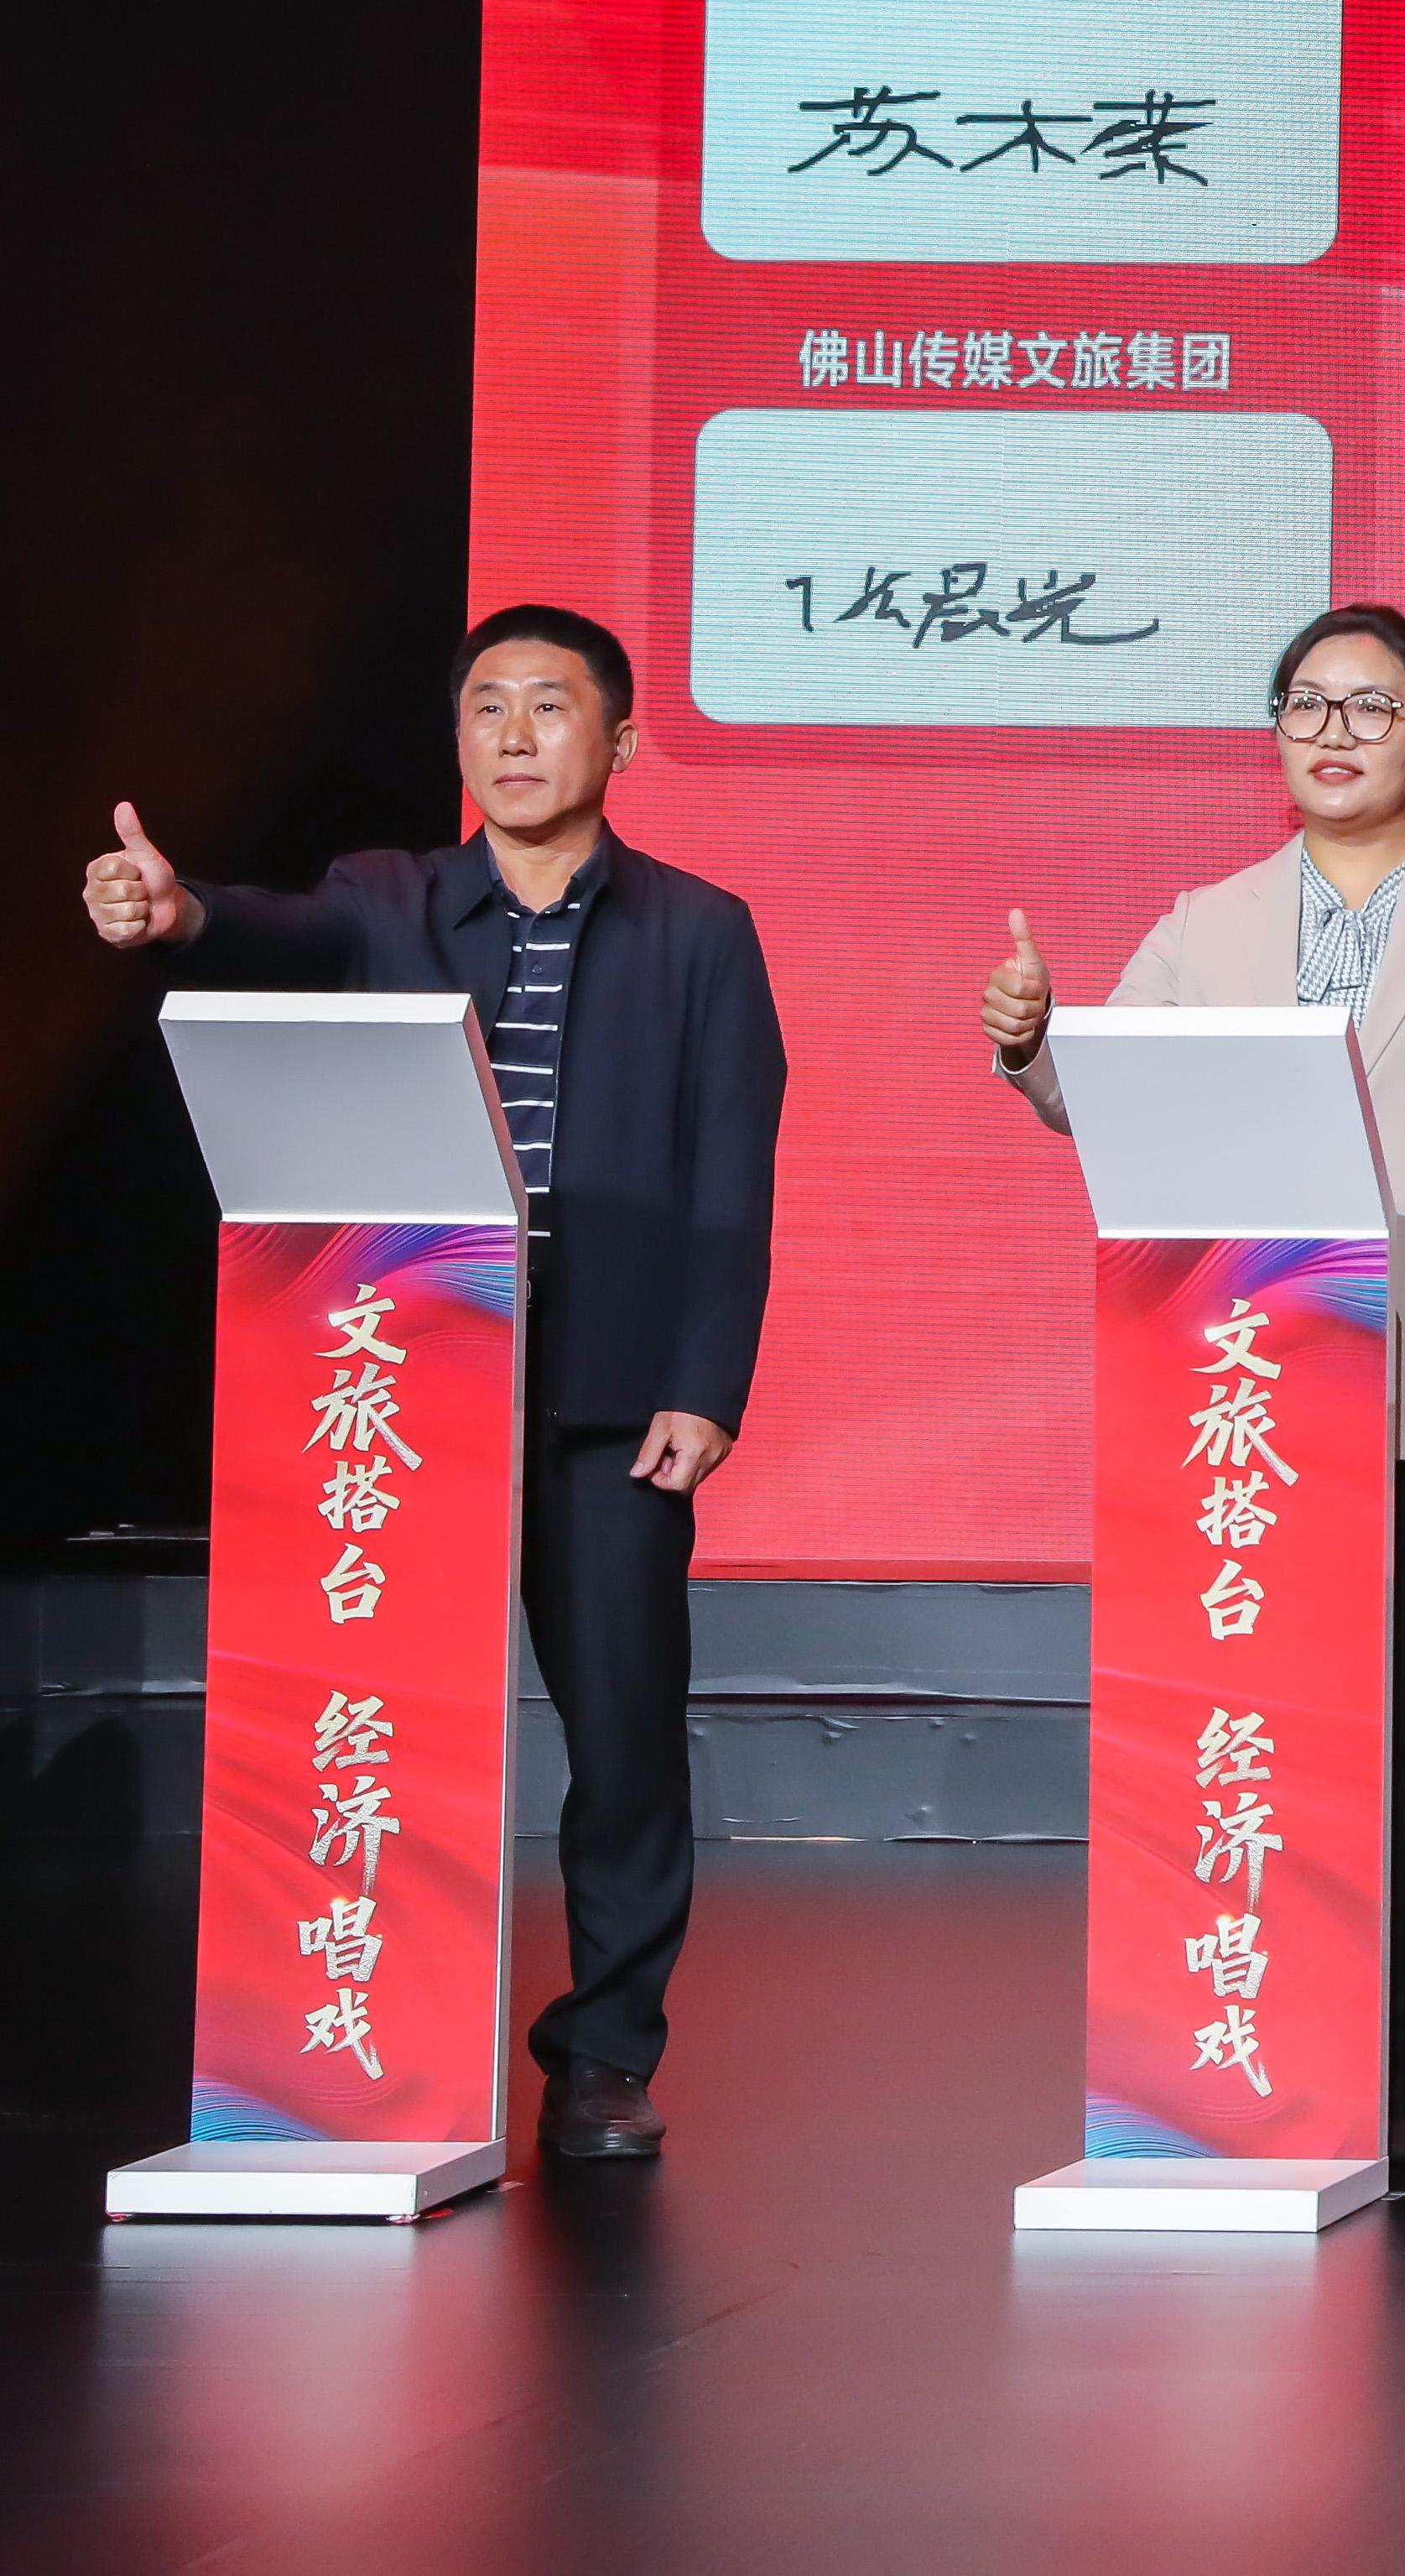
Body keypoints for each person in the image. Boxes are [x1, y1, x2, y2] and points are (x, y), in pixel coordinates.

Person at [84, 605, 789, 2164]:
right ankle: (371, 2034)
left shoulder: (699, 930)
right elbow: (261, 929)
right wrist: (175, 911)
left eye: (550, 705)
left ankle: (602, 2058)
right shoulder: (383, 899)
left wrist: (705, 1385)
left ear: (621, 740)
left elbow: (731, 1178)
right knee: (379, 1723)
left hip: (609, 1403)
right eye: (487, 708)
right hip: (407, 1386)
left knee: (624, 1739)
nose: (515, 735)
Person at [981, 601, 1405, 2167]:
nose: (1335, 733)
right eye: (1308, 703)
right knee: (1259, 1731)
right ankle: (1253, 2037)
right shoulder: (1207, 923)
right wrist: (1037, 1044)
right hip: (1248, 1386)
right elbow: (1111, 1093)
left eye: (1372, 708)